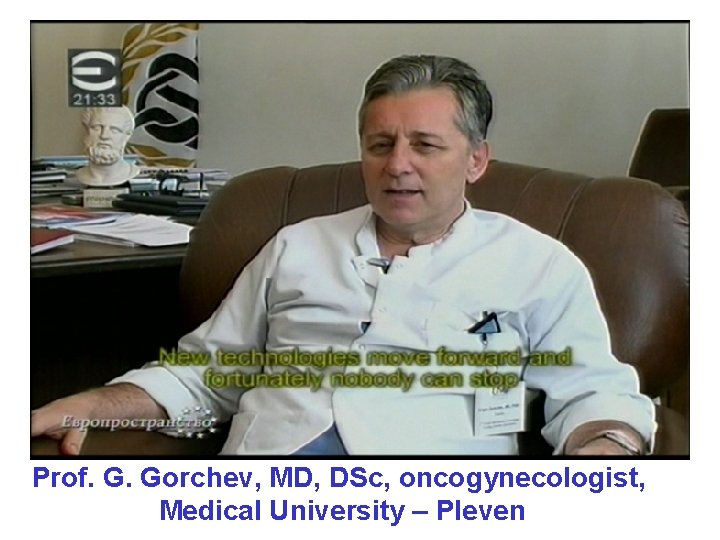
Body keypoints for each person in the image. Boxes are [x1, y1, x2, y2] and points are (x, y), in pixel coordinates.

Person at [32, 55, 655, 456]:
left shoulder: (537, 264)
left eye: (425, 145)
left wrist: (606, 452)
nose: (397, 165)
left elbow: (592, 392)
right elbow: (208, 374)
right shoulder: (298, 245)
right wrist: (97, 404)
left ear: (475, 160)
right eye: (380, 145)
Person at [76, 106, 140, 187]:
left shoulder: (133, 174)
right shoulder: (77, 177)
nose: (104, 136)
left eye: (114, 130)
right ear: (86, 132)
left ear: (126, 136)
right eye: (97, 128)